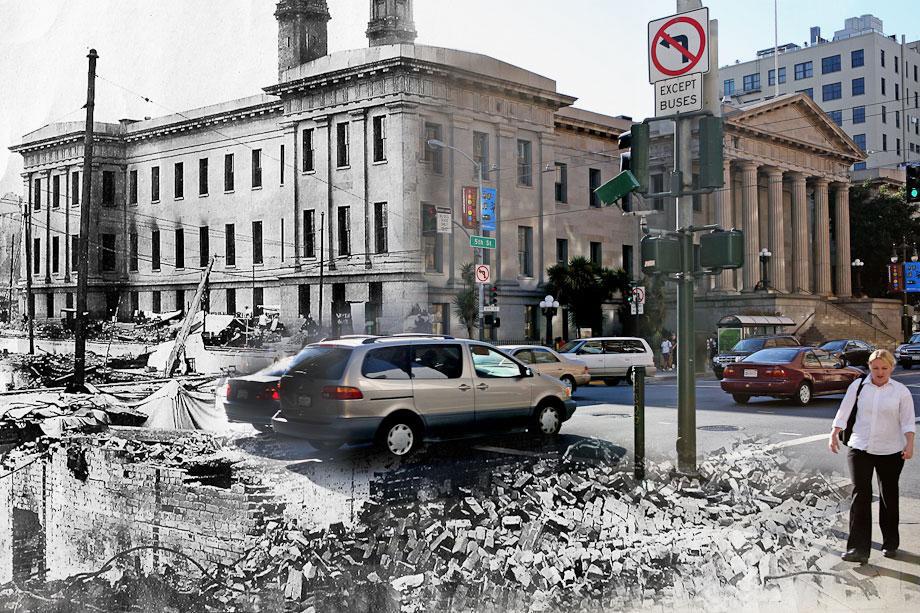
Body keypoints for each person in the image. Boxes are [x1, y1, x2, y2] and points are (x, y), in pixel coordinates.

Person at [829, 349, 915, 563]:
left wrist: (910, 444)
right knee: (860, 495)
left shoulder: (900, 391)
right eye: (875, 368)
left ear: (892, 368)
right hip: (860, 447)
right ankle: (857, 549)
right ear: (869, 367)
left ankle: (890, 543)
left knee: (888, 495)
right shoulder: (858, 387)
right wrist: (834, 434)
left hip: (891, 450)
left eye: (884, 368)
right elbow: (844, 410)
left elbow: (907, 420)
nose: (879, 372)